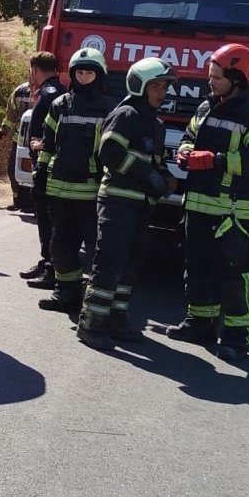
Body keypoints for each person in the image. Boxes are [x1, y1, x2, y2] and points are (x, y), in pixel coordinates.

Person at [165, 43, 249, 362]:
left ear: (237, 78)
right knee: (196, 268)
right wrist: (185, 153)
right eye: (210, 75)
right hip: (198, 205)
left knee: (231, 274)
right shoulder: (205, 108)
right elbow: (189, 136)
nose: (209, 82)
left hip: (231, 210)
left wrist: (216, 160)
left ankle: (237, 336)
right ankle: (199, 323)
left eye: (216, 77)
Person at [76, 57, 177, 350]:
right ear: (140, 85)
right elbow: (109, 151)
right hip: (117, 203)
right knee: (108, 263)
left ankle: (116, 319)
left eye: (165, 86)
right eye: (157, 86)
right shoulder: (126, 114)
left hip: (141, 206)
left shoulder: (156, 124)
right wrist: (147, 174)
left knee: (130, 265)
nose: (162, 92)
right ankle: (91, 324)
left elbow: (156, 162)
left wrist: (165, 177)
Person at [36, 48, 117, 313]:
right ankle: (64, 293)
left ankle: (92, 300)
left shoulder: (109, 109)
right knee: (60, 245)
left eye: (89, 72)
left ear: (99, 75)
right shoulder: (60, 104)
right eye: (79, 72)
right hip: (60, 189)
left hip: (91, 192)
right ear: (72, 74)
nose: (83, 77)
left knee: (96, 248)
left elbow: (111, 152)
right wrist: (40, 173)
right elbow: (48, 143)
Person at [21, 52, 65, 288]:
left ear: (34, 69)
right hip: (45, 162)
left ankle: (50, 267)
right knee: (44, 217)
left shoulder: (50, 94)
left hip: (47, 164)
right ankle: (45, 261)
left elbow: (53, 131)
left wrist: (43, 147)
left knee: (47, 218)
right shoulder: (56, 91)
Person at [0, 80, 33, 212]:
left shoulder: (48, 91)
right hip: (20, 139)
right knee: (13, 171)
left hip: (41, 142)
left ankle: (33, 203)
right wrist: (3, 130)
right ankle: (17, 200)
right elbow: (11, 114)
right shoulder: (20, 91)